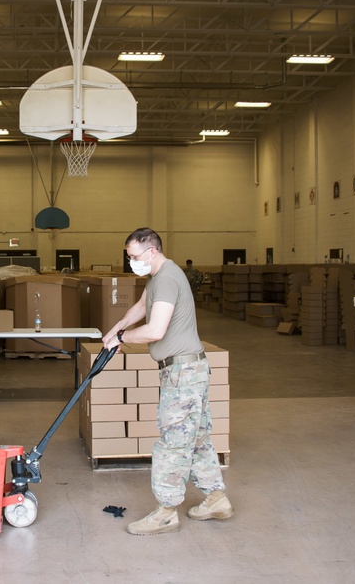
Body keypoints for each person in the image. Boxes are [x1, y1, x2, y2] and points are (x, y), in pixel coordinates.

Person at [103, 228, 231, 536]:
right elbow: (142, 306)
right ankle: (216, 498)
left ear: (152, 251)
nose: (131, 261)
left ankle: (166, 512)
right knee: (196, 437)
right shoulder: (159, 277)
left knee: (172, 444)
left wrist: (123, 338)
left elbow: (155, 330)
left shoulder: (169, 278)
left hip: (182, 374)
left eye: (134, 256)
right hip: (189, 370)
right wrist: (115, 329)